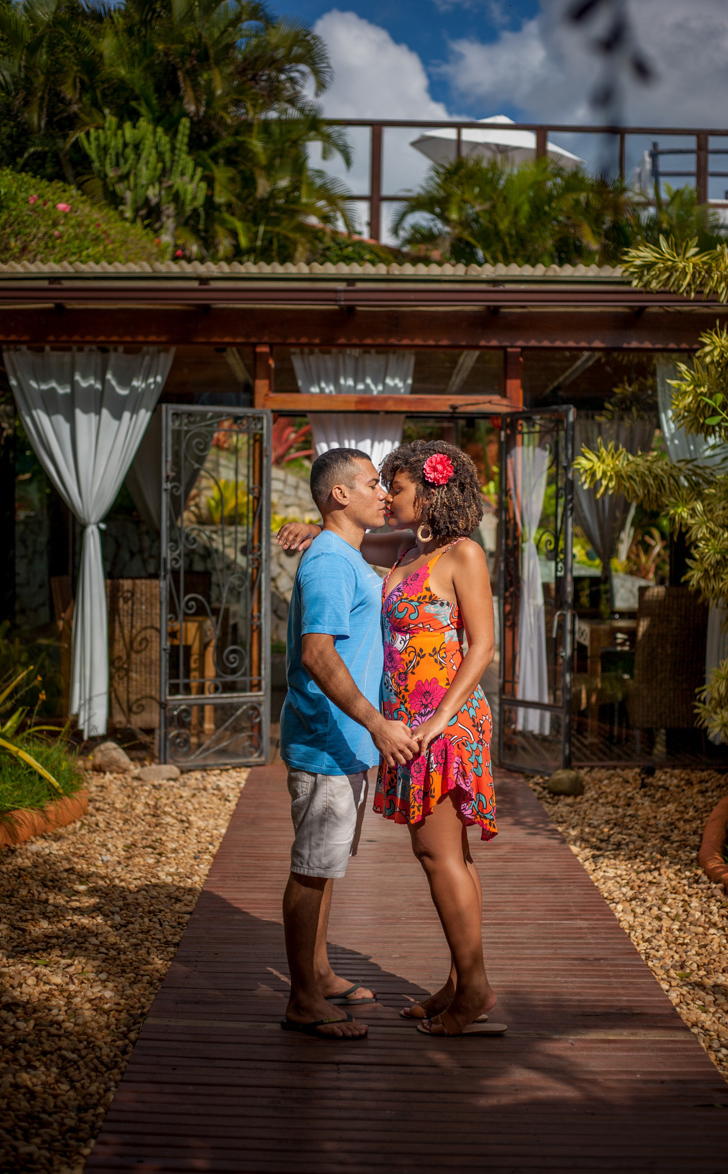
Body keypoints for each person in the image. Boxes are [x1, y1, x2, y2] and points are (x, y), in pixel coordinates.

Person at [279, 439, 504, 1038]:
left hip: (441, 727)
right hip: (407, 725)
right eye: (379, 486)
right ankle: (460, 982)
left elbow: (482, 648)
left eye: (396, 487)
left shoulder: (463, 555)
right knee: (450, 856)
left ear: (429, 491)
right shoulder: (405, 547)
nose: (386, 494)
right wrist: (312, 527)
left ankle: (473, 988)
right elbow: (343, 539)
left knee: (439, 855)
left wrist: (436, 722)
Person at [278, 447, 419, 1041]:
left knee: (326, 864)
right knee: (312, 869)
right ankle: (303, 999)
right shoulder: (332, 562)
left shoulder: (343, 553)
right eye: (372, 483)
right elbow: (318, 653)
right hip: (327, 740)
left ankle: (321, 972)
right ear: (340, 494)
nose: (384, 493)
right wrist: (377, 723)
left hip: (343, 743)